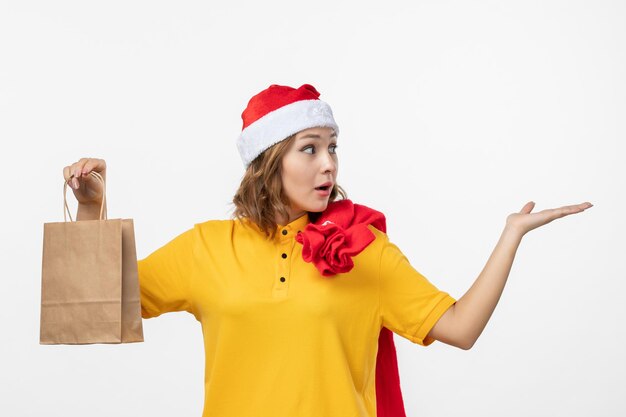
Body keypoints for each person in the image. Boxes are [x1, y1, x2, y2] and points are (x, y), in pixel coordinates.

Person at [62, 84, 593, 417]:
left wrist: (509, 236)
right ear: (269, 161)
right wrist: (92, 209)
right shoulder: (207, 247)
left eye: (333, 147)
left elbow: (460, 328)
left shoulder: (364, 249)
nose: (329, 165)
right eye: (309, 148)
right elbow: (96, 311)